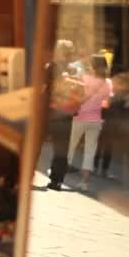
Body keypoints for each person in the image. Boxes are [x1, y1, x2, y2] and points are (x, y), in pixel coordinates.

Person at [67, 55, 113, 191]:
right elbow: (107, 103)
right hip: (96, 120)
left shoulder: (85, 78)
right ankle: (85, 182)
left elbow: (75, 92)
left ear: (92, 66)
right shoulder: (108, 83)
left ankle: (61, 173)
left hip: (80, 117)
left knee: (71, 145)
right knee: (90, 151)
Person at [43, 39, 79, 191]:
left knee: (34, 143)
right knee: (61, 149)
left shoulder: (51, 66)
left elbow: (43, 86)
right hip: (66, 113)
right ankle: (56, 181)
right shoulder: (74, 70)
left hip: (50, 111)